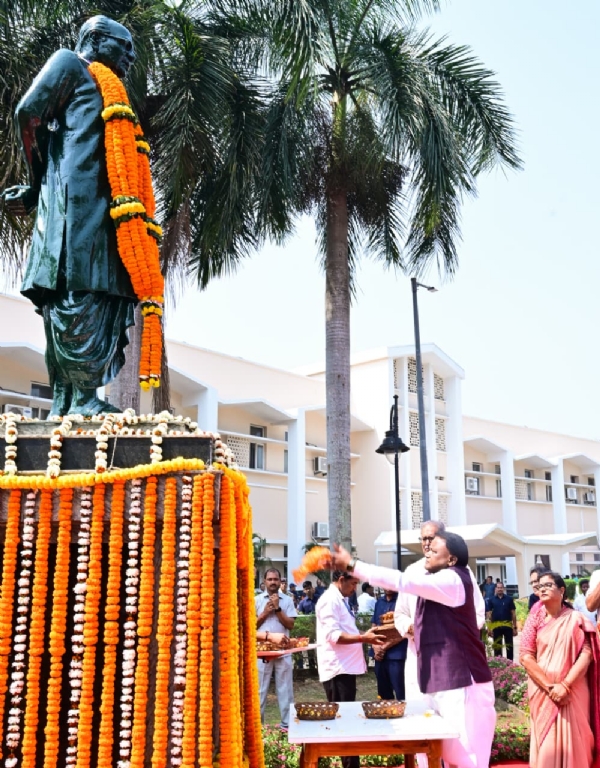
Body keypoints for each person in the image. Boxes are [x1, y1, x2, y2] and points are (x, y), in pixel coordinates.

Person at [4, 16, 139, 417]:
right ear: (95, 39)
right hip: (71, 210)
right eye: (124, 45)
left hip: (103, 213)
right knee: (75, 293)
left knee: (97, 294)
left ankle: (68, 402)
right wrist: (36, 186)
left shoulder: (111, 89)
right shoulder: (69, 63)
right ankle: (79, 399)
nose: (130, 55)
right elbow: (28, 115)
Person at [332, 532, 496, 768]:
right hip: (440, 680)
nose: (427, 550)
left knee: (465, 756)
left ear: (451, 560)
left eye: (434, 549)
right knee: (440, 751)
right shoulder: (434, 580)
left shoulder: (453, 580)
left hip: (463, 682)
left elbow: (402, 582)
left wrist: (353, 565)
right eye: (426, 545)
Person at [394, 520, 486, 702]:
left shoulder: (460, 571)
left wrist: (453, 633)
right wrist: (410, 627)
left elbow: (478, 613)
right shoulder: (412, 571)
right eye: (424, 538)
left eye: (432, 538)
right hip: (419, 656)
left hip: (452, 659)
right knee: (421, 715)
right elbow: (400, 614)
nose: (427, 543)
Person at [520, 571, 600, 768]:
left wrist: (565, 685)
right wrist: (550, 687)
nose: (542, 589)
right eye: (539, 586)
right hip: (543, 692)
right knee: (547, 745)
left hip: (573, 690)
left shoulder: (576, 618)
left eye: (548, 585)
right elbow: (525, 655)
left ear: (562, 590)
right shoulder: (534, 618)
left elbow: (587, 652)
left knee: (576, 741)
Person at [315, 570, 385, 768]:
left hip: (345, 668)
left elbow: (348, 632)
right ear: (341, 580)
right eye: (353, 583)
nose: (355, 588)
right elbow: (335, 636)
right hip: (338, 670)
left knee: (347, 722)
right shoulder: (330, 600)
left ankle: (352, 764)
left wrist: (366, 636)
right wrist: (365, 638)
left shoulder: (340, 599)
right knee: (343, 724)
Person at [255, 568, 297, 730]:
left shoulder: (287, 600)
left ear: (280, 582)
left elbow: (290, 625)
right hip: (261, 653)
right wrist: (265, 613)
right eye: (270, 579)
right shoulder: (256, 600)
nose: (273, 582)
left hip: (283, 651)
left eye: (276, 579)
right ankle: (258, 728)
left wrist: (278, 609)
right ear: (264, 582)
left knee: (285, 689)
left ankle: (287, 726)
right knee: (260, 690)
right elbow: (250, 626)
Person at [370, 590, 407, 701]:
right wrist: (374, 645)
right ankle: (386, 717)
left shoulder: (403, 601)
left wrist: (384, 647)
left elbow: (406, 629)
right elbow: (374, 626)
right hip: (380, 656)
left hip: (397, 655)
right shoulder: (379, 602)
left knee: (401, 693)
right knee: (383, 695)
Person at [486, 582, 518, 660]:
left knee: (509, 646)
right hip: (496, 627)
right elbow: (489, 615)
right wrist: (489, 628)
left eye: (501, 587)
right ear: (496, 589)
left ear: (503, 588)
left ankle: (510, 664)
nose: (500, 589)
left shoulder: (509, 599)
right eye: (498, 587)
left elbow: (513, 613)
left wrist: (514, 627)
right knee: (497, 646)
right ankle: (499, 664)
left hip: (508, 626)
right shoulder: (491, 600)